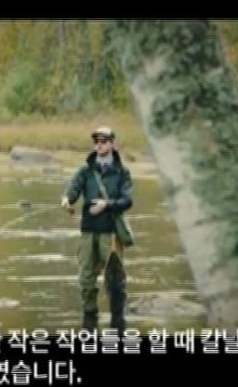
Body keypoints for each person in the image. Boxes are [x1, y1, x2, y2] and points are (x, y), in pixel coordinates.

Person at [61, 126, 133, 332]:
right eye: (96, 142)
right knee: (85, 278)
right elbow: (73, 190)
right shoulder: (85, 171)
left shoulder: (122, 172)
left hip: (111, 233)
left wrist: (106, 204)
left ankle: (118, 322)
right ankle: (89, 318)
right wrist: (67, 200)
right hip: (88, 231)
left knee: (115, 280)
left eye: (103, 141)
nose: (99, 145)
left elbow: (127, 201)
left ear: (112, 144)